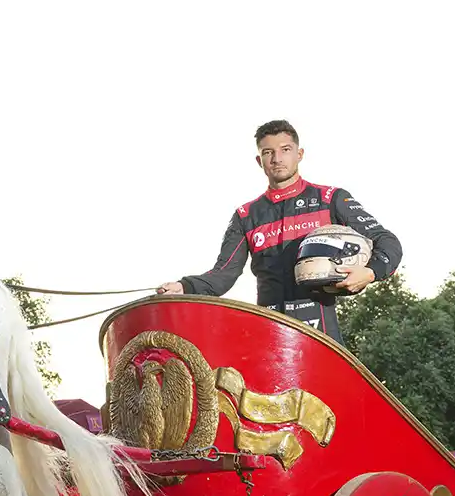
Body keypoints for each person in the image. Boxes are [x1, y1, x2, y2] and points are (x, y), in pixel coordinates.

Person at [155, 119, 402, 341]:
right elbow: (223, 275)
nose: (277, 159)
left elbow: (387, 241)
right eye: (268, 152)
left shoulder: (331, 199)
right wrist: (184, 286)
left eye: (285, 150)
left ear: (300, 154)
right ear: (259, 160)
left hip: (321, 330)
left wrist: (369, 273)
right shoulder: (246, 215)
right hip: (267, 328)